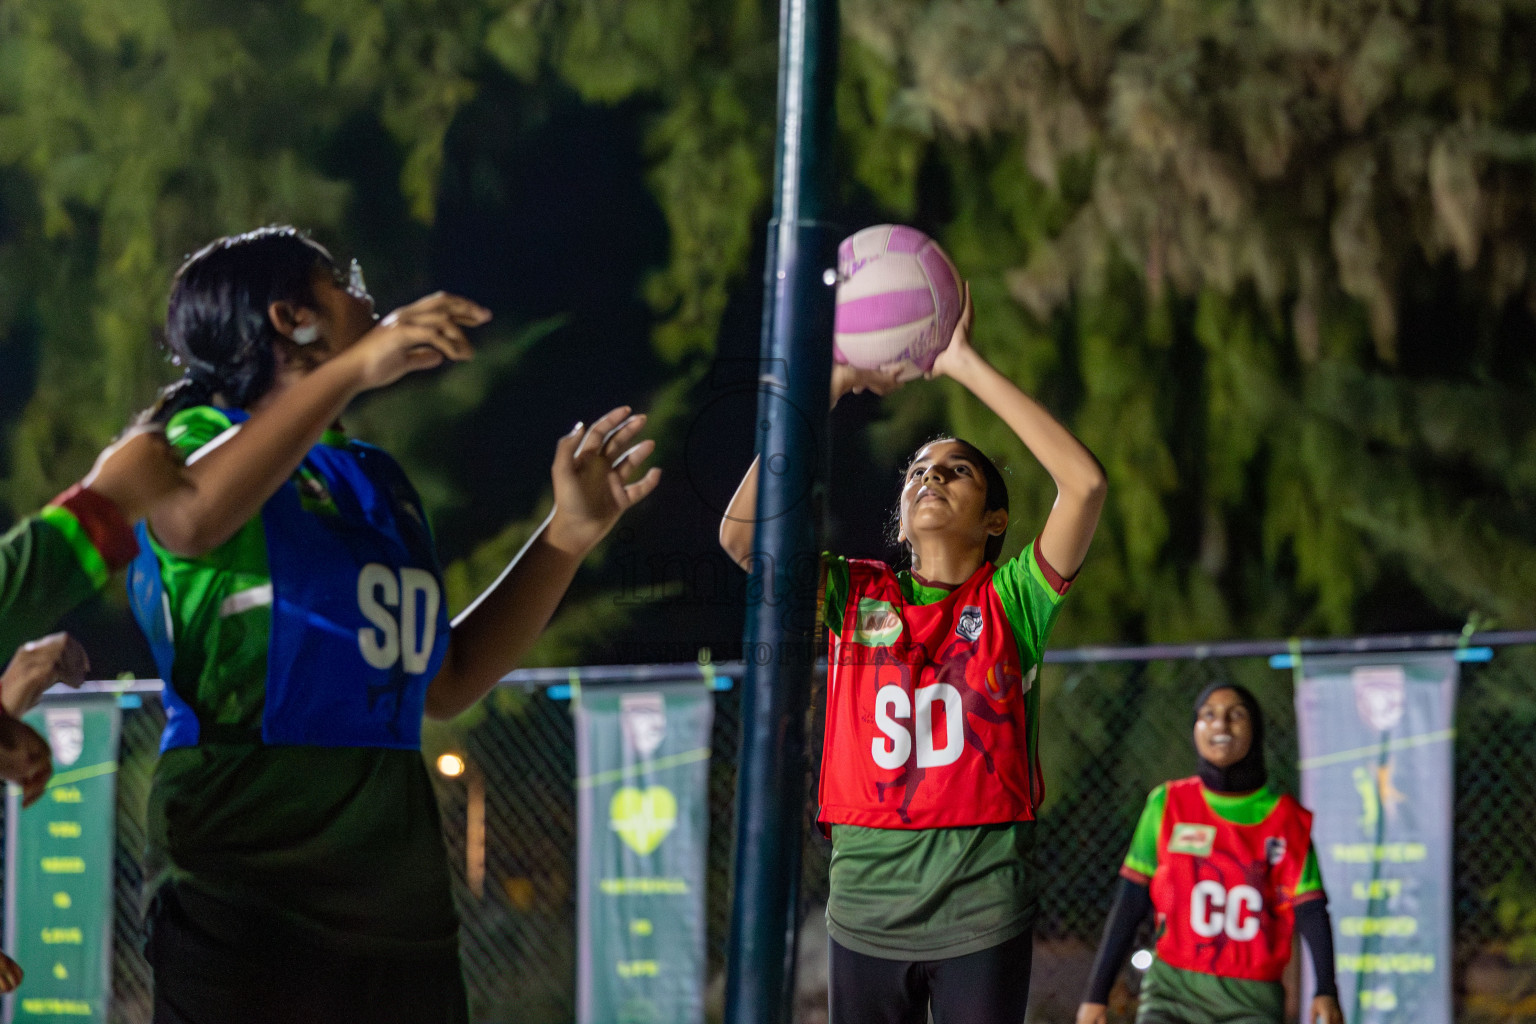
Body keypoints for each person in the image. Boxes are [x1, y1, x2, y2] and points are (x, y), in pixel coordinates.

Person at [123, 226, 659, 1024]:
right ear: (289, 317)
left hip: (395, 901)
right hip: (245, 889)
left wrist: (564, 539)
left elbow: (445, 682)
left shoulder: (375, 477)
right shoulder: (186, 444)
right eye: (342, 281)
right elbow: (190, 521)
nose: (369, 298)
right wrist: (345, 373)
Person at [720, 285, 1107, 1024]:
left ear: (995, 520)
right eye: (919, 471)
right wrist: (826, 388)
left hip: (981, 906)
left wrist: (963, 364)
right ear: (900, 514)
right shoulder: (854, 593)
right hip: (866, 906)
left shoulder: (1013, 600)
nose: (930, 476)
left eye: (955, 469)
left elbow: (1084, 485)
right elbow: (742, 539)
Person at [1075, 684, 1345, 1024]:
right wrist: (1095, 995)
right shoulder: (1167, 804)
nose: (1221, 724)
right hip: (1172, 992)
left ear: (1256, 729)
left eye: (1236, 714)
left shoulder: (1286, 818)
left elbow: (1311, 910)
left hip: (1251, 1000)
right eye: (1209, 714)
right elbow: (1130, 904)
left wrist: (1326, 988)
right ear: (1195, 728)